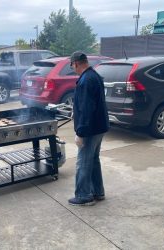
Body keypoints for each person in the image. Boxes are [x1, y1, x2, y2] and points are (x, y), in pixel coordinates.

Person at [68, 51, 109, 206]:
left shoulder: (85, 80)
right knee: (93, 160)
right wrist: (75, 110)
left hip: (91, 129)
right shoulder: (94, 75)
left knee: (83, 162)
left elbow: (87, 109)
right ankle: (98, 192)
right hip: (100, 127)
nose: (72, 68)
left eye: (72, 65)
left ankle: (84, 195)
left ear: (76, 63)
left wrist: (80, 133)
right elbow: (89, 103)